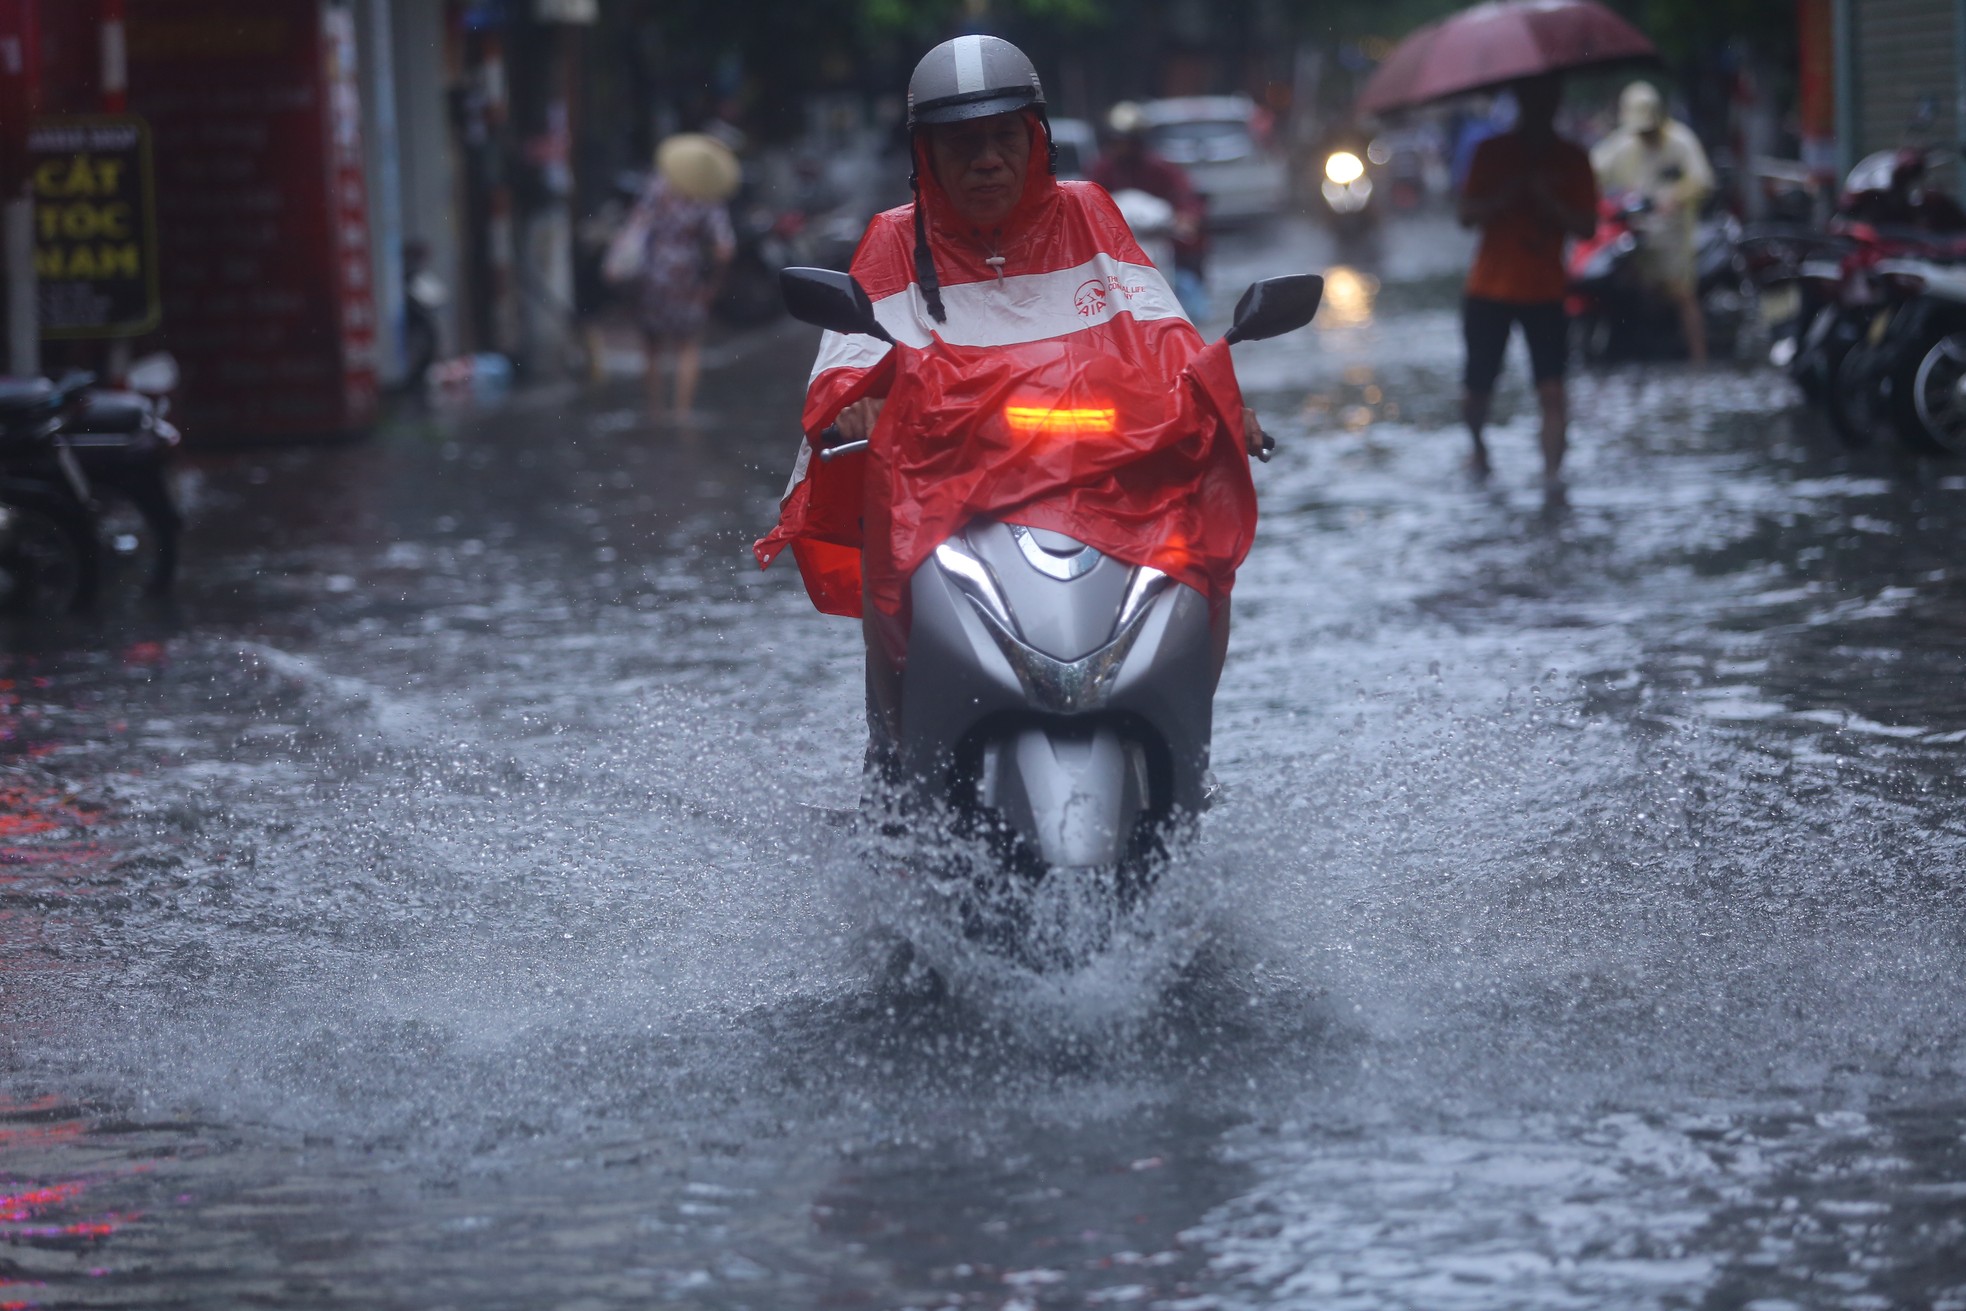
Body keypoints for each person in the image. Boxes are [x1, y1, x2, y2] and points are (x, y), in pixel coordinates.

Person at [1456, 73, 1598, 481]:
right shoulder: (1491, 153)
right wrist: (1506, 196)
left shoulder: (1573, 158)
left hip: (1546, 290)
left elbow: (1587, 226)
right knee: (1476, 391)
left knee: (1552, 390)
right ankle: (1478, 447)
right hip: (1489, 288)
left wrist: (1549, 201)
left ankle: (1552, 474)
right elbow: (1465, 215)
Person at [1590, 81, 1716, 364]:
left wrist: (1676, 196)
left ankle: (1699, 358)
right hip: (1634, 233)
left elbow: (1703, 180)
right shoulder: (1623, 144)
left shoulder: (1681, 141)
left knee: (1682, 295)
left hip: (1673, 235)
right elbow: (1594, 169)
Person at [621, 134, 737, 421]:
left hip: (653, 272)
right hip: (686, 276)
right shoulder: (706, 196)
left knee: (652, 343)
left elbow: (637, 225)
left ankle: (654, 408)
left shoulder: (656, 186)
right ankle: (681, 410)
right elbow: (725, 248)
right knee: (687, 344)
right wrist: (714, 284)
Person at [1090, 102, 1209, 314]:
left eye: (1125, 142)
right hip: (1118, 250)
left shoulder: (1160, 169)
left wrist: (1187, 217)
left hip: (1167, 247)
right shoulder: (1102, 171)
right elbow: (1088, 203)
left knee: (1190, 301)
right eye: (1116, 142)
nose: (1120, 148)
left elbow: (1186, 196)